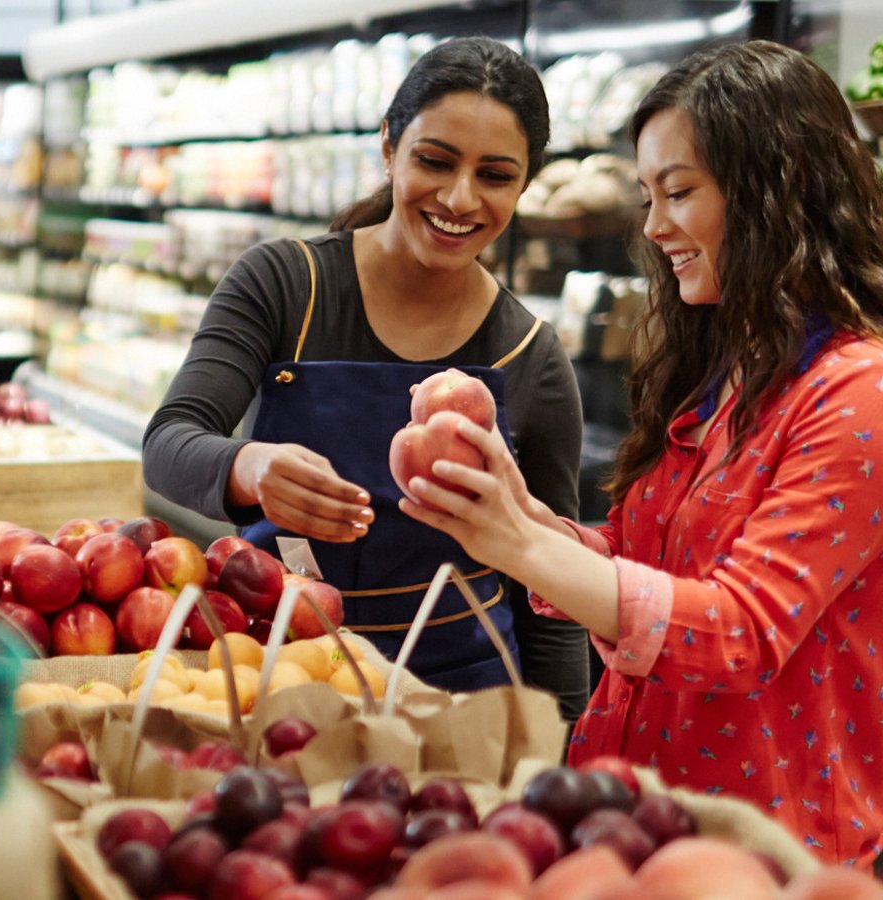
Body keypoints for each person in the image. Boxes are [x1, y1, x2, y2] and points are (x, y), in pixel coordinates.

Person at [398, 40, 883, 869]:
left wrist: (516, 544)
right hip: (636, 815)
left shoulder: (868, 392)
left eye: (678, 192)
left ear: (776, 188)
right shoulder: (737, 365)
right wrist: (526, 520)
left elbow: (740, 632)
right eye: (647, 194)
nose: (655, 225)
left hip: (761, 850)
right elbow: (657, 577)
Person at [143, 36, 589, 714]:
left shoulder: (528, 352)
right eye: (434, 161)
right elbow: (169, 443)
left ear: (525, 183)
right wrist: (249, 465)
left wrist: (560, 749)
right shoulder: (286, 284)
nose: (460, 198)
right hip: (283, 681)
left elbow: (552, 587)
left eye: (495, 176)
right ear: (388, 146)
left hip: (459, 706)